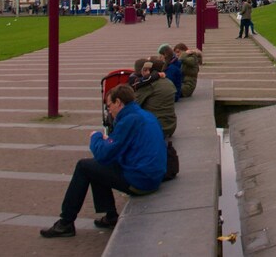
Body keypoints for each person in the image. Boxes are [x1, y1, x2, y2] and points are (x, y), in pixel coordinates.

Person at [40, 84, 166, 238]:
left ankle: (66, 222)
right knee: (95, 167)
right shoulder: (145, 115)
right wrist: (109, 142)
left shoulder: (128, 120)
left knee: (84, 166)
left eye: (109, 105)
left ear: (119, 102)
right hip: (152, 174)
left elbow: (103, 154)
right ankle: (110, 215)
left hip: (142, 180)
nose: (109, 110)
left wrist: (96, 137)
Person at [131, 59, 177, 138]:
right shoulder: (169, 82)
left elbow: (134, 105)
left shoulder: (149, 85)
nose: (146, 72)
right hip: (171, 126)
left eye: (147, 69)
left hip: (156, 128)